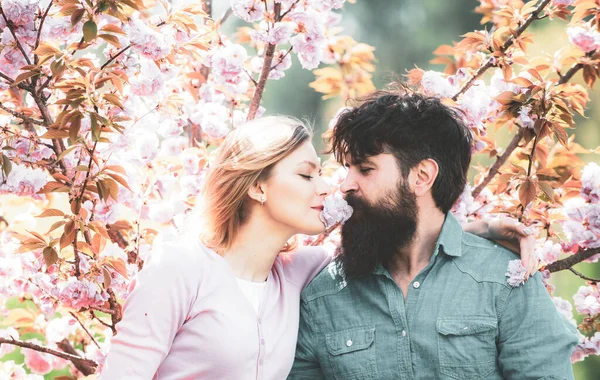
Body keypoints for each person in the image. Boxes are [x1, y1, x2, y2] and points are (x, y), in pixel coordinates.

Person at [100, 116, 537, 380]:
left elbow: (406, 236)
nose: (328, 187)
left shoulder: (302, 273)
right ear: (256, 186)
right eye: (306, 175)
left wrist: (478, 228)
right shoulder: (180, 268)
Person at [288, 89, 579, 380]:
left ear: (422, 176)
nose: (346, 186)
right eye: (348, 169)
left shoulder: (505, 279)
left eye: (365, 169)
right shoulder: (322, 295)